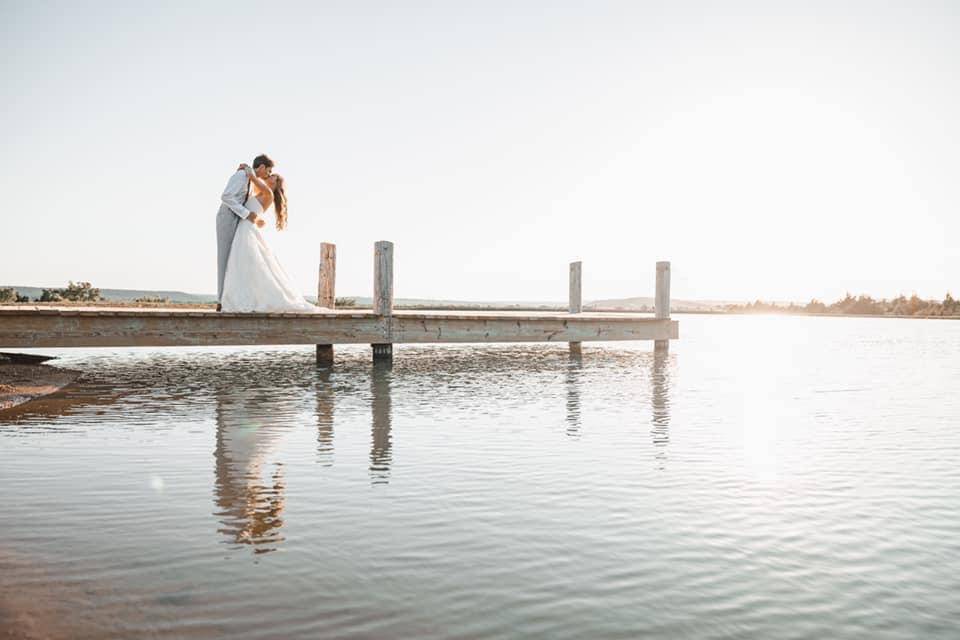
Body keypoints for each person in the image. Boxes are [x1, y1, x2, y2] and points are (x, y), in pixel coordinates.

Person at [219, 163, 325, 313]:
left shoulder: (267, 193)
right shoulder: (259, 192)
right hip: (244, 227)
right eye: (270, 175)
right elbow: (249, 193)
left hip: (247, 230)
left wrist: (246, 168)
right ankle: (243, 295)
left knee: (245, 261)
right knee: (242, 263)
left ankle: (251, 297)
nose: (269, 178)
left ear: (275, 186)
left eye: (273, 178)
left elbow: (252, 177)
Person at [216, 154, 273, 311]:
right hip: (227, 217)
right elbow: (226, 196)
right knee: (225, 257)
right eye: (268, 171)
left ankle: (230, 297)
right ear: (261, 167)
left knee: (235, 258)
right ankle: (221, 300)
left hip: (238, 218)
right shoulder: (242, 175)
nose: (268, 175)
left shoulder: (248, 177)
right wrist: (247, 214)